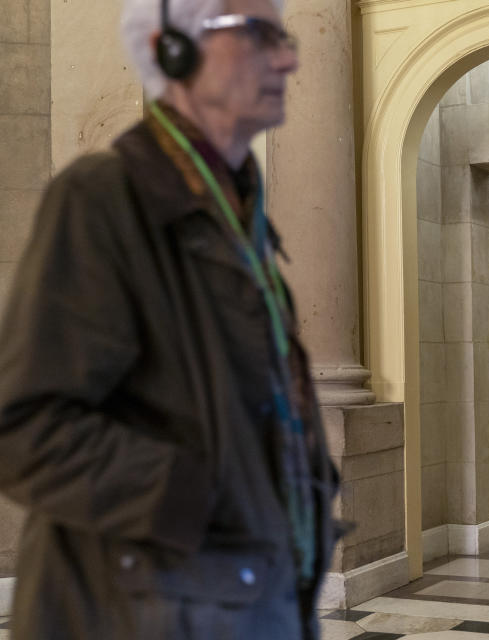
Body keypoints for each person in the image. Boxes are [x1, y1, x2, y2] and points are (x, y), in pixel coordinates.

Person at [0, 1, 341, 638]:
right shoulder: (104, 199)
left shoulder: (240, 219)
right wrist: (205, 499)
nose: (290, 58)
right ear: (172, 50)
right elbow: (25, 426)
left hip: (249, 603)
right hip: (152, 613)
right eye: (260, 34)